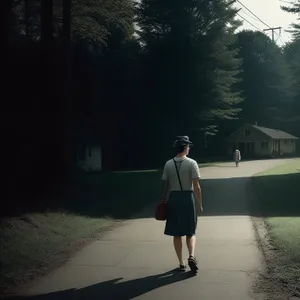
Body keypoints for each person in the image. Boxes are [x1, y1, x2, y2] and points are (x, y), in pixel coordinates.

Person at [161, 136, 203, 274]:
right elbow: (196, 185)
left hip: (174, 198)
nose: (189, 148)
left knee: (177, 233)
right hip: (188, 197)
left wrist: (164, 201)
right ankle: (191, 255)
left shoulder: (168, 164)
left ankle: (181, 263)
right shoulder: (192, 163)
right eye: (188, 146)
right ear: (185, 148)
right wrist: (200, 204)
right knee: (190, 231)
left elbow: (165, 185)